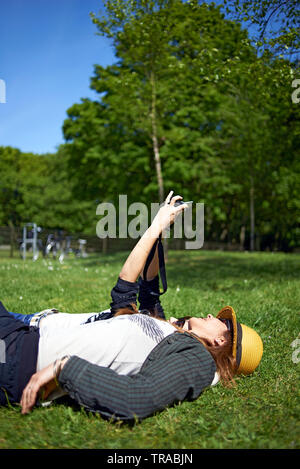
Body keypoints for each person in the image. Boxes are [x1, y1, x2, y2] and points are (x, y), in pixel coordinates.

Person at [1, 192, 263, 421]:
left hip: (19, 355)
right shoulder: (170, 336)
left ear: (220, 341)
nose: (211, 314)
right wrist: (158, 230)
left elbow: (137, 398)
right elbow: (143, 291)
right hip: (26, 333)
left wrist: (63, 368)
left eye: (223, 322)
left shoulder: (198, 360)